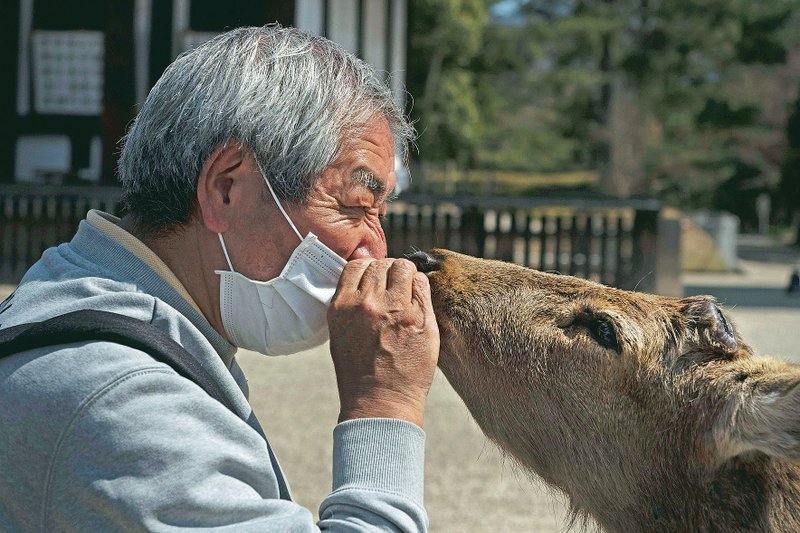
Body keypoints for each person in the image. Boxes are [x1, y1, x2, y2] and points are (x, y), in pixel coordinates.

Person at [0, 25, 439, 531]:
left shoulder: (65, 291)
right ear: (226, 187)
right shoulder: (125, 400)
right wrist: (384, 402)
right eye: (355, 206)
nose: (375, 249)